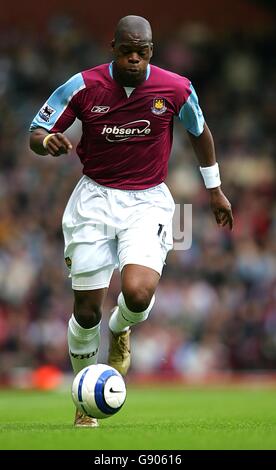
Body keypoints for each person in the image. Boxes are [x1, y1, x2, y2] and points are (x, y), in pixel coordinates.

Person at [29, 15, 233, 427]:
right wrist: (46, 142)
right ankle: (85, 401)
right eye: (127, 50)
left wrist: (214, 189)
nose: (135, 58)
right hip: (93, 199)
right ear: (113, 47)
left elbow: (200, 132)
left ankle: (122, 328)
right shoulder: (83, 86)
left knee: (137, 295)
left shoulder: (176, 88)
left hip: (150, 200)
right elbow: (38, 128)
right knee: (87, 312)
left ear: (152, 50)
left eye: (143, 51)